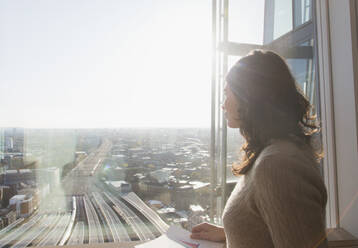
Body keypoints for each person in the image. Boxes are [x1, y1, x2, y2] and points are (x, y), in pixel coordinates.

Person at [190, 50, 328, 248]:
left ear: (249, 97)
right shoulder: (276, 152)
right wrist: (232, 233)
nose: (223, 105)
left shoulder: (277, 166)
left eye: (227, 93)